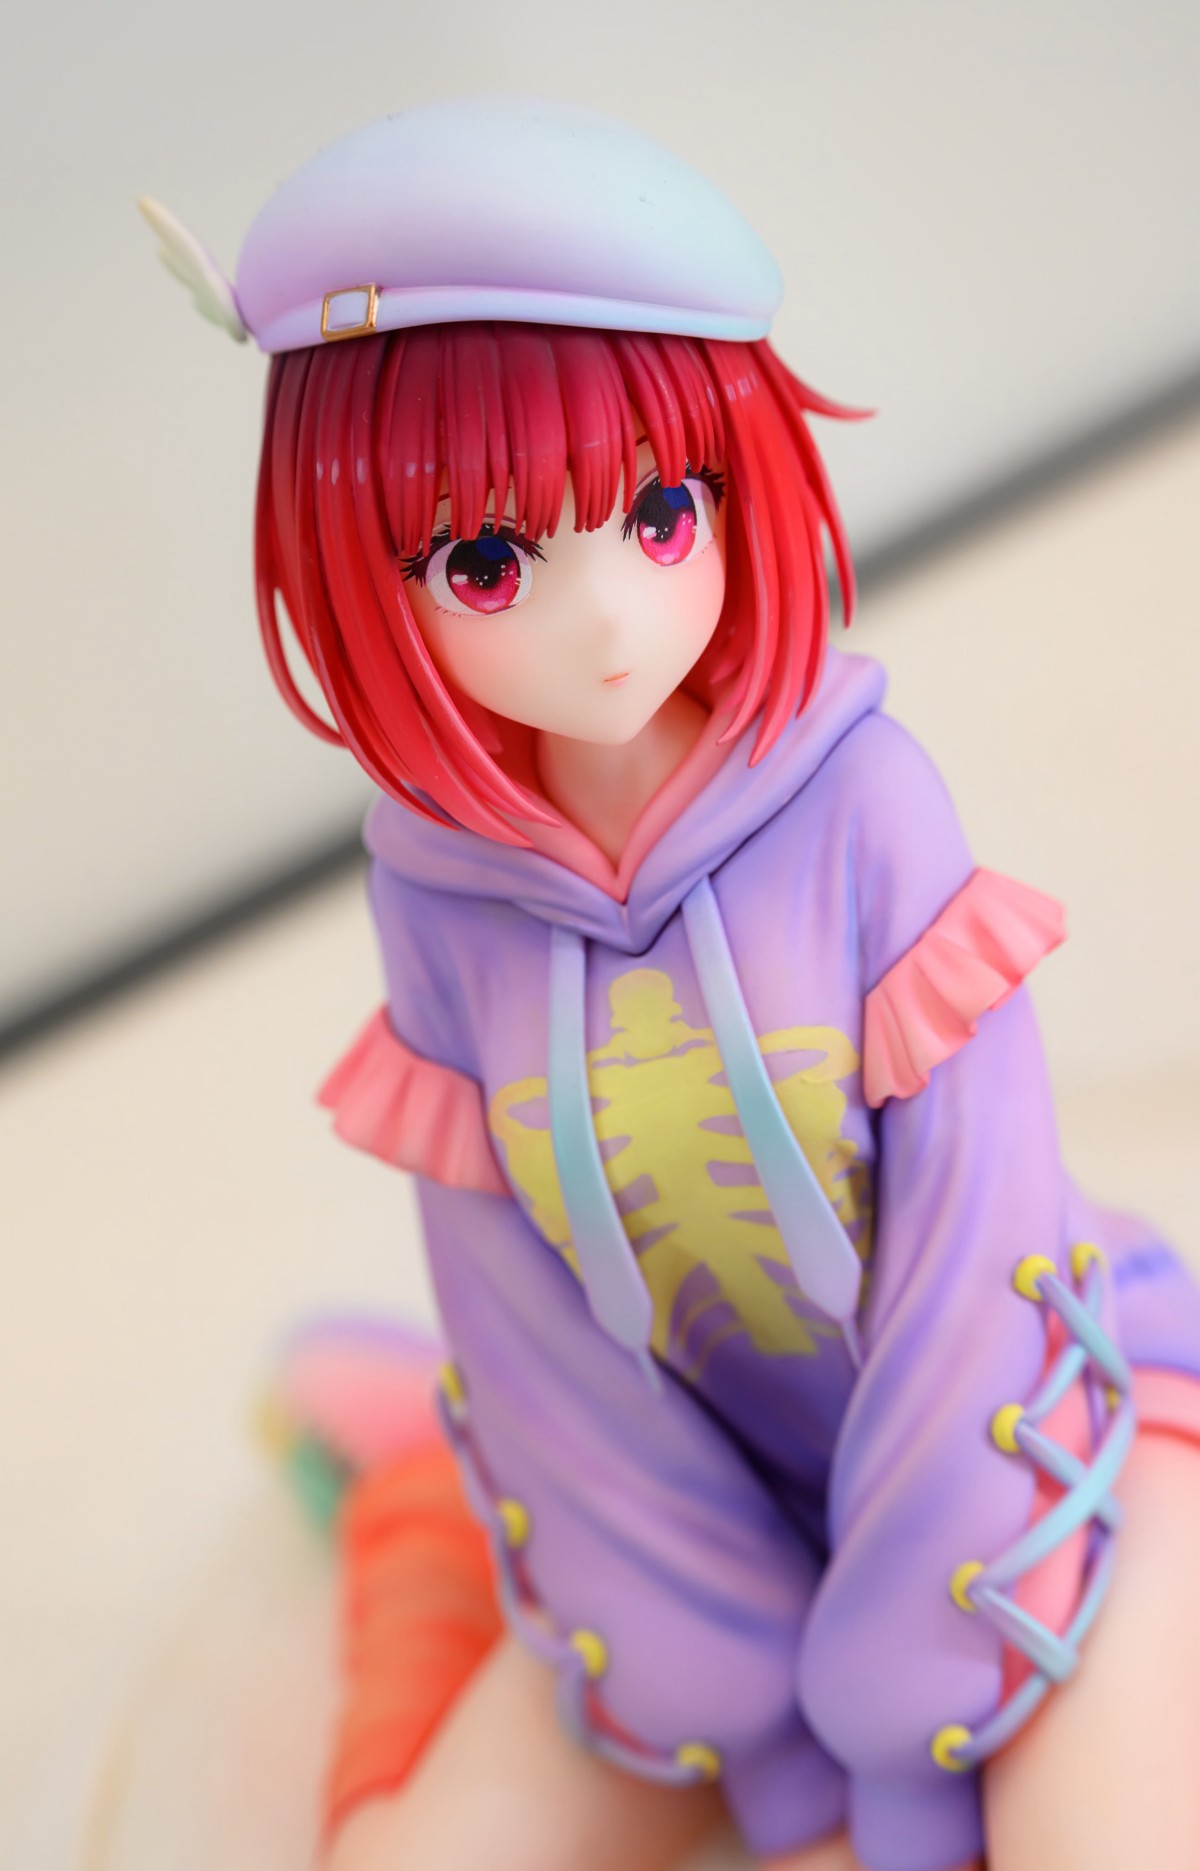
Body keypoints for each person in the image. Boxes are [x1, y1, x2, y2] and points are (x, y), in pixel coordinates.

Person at [143, 97, 1200, 1871]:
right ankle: (423, 1507)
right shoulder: (440, 899)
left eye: (657, 510)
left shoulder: (866, 806)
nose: (608, 624)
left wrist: (901, 1714)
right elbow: (520, 1304)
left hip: (1044, 1454)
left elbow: (979, 1257)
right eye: (487, 562)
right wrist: (740, 1715)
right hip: (705, 1531)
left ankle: (423, 1479)